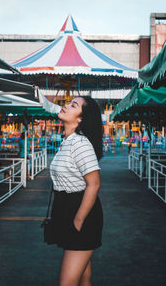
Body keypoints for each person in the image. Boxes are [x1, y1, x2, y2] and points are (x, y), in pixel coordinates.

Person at [49, 96, 103, 286]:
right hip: (67, 210)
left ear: (81, 119)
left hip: (81, 213)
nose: (66, 105)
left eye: (73, 105)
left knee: (67, 282)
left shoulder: (80, 144)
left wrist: (78, 222)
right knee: (83, 278)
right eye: (69, 103)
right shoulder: (68, 141)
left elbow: (94, 184)